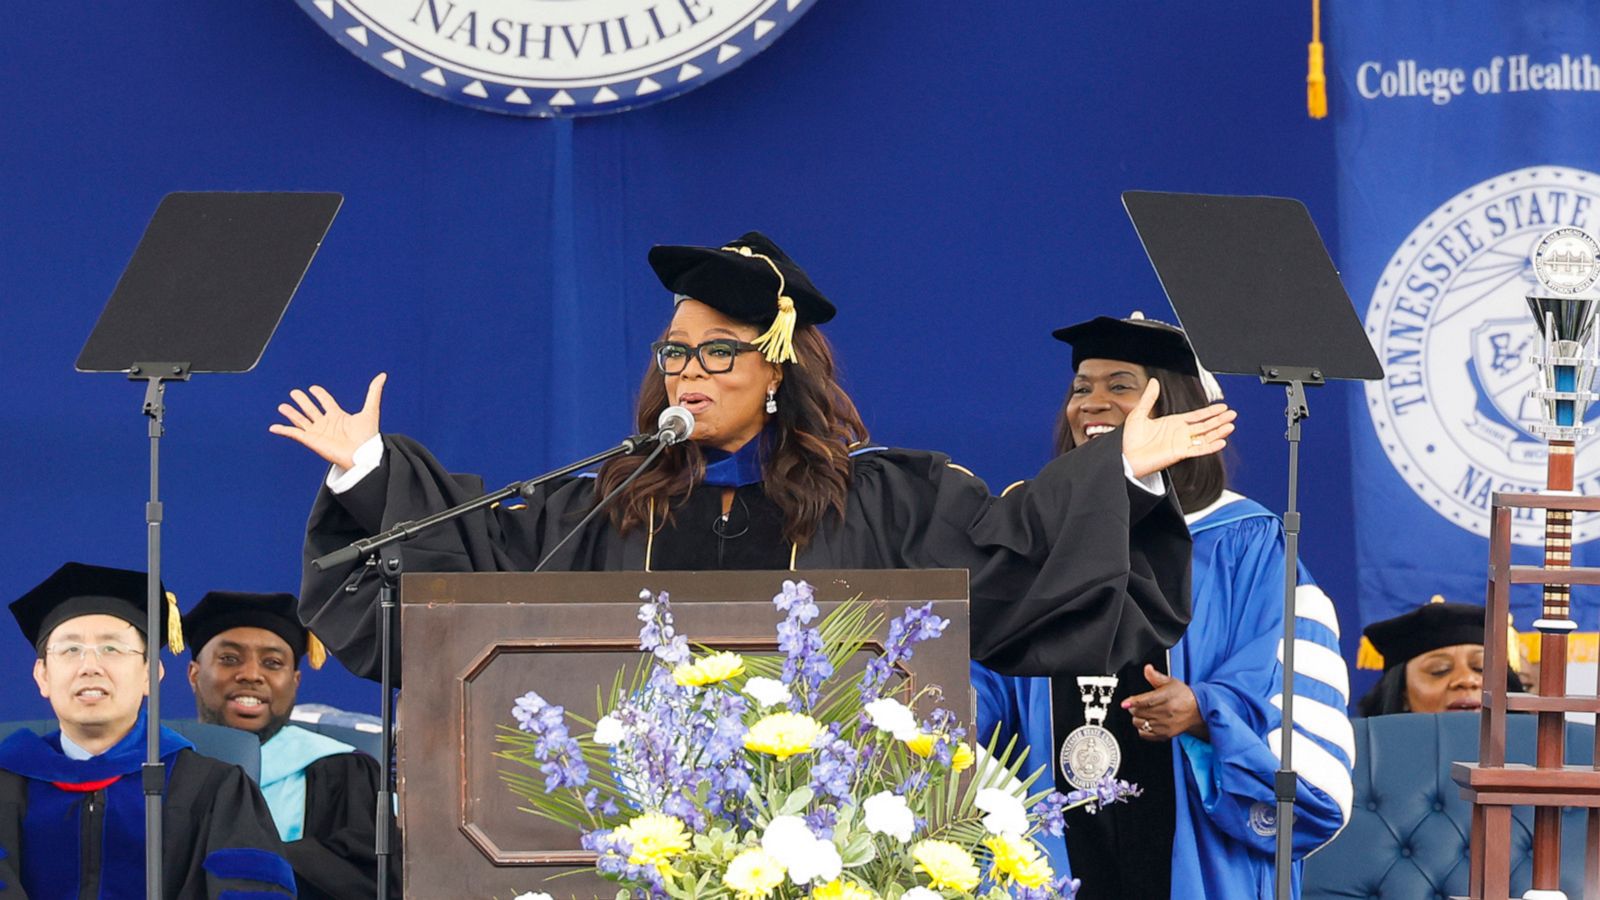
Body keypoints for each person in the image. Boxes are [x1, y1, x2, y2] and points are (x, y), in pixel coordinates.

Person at [273, 233, 1236, 685]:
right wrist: (368, 473)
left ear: (775, 369)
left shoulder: (893, 502)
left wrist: (1122, 475)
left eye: (719, 350)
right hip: (629, 834)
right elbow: (474, 573)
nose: (690, 370)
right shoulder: (603, 506)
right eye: (676, 351)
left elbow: (1014, 571)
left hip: (840, 837)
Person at [972, 315, 1353, 900]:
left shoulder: (1246, 543)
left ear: (1175, 408)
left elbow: (1279, 676)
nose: (1091, 404)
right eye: (1081, 388)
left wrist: (1205, 712)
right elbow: (989, 668)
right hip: (1057, 844)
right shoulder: (1039, 538)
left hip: (1197, 850)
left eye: (1119, 386)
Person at [0, 562, 295, 898]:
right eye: (71, 650)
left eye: (111, 649)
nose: (90, 667)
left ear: (149, 674)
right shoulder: (7, 782)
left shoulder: (215, 789)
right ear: (42, 676)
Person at [184, 589, 397, 898]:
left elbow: (374, 875)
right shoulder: (163, 765)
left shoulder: (343, 772)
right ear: (194, 674)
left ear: (295, 681)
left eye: (272, 663)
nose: (251, 675)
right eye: (229, 659)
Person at [1355, 597, 1519, 716]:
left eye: (1481, 668)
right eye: (1439, 670)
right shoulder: (1362, 760)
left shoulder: (1536, 756)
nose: (1467, 680)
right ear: (1402, 694)